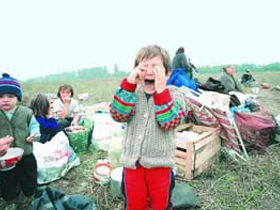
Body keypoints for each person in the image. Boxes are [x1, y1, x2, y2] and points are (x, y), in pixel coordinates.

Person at [110, 45, 186, 210]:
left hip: (160, 166)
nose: (149, 72)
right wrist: (129, 84)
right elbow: (117, 114)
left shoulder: (175, 94)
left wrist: (160, 90)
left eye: (156, 68)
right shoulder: (131, 93)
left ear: (167, 73)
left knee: (161, 204)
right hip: (132, 165)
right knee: (134, 204)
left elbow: (170, 122)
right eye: (144, 67)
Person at [0, 73, 40, 204]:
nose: (5, 100)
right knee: (7, 179)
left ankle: (30, 192)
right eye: (1, 96)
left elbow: (34, 126)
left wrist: (34, 135)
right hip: (4, 157)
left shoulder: (26, 112)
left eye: (10, 96)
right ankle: (11, 197)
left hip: (25, 152)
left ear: (17, 97)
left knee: (29, 173)